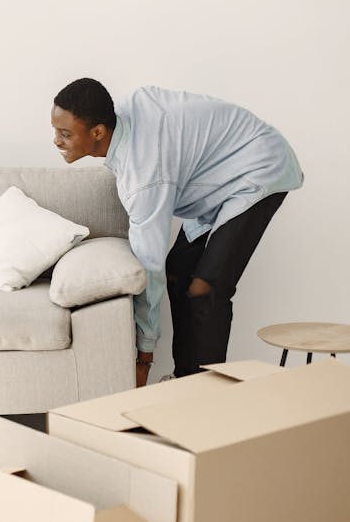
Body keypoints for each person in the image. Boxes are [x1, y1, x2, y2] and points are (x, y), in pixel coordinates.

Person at [50, 78, 303, 386]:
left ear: (98, 132)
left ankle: (206, 392)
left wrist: (144, 354)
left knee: (205, 287)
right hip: (217, 176)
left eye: (65, 133)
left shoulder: (144, 178)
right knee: (176, 272)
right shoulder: (126, 119)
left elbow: (148, 267)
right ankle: (186, 380)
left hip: (260, 166)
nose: (57, 141)